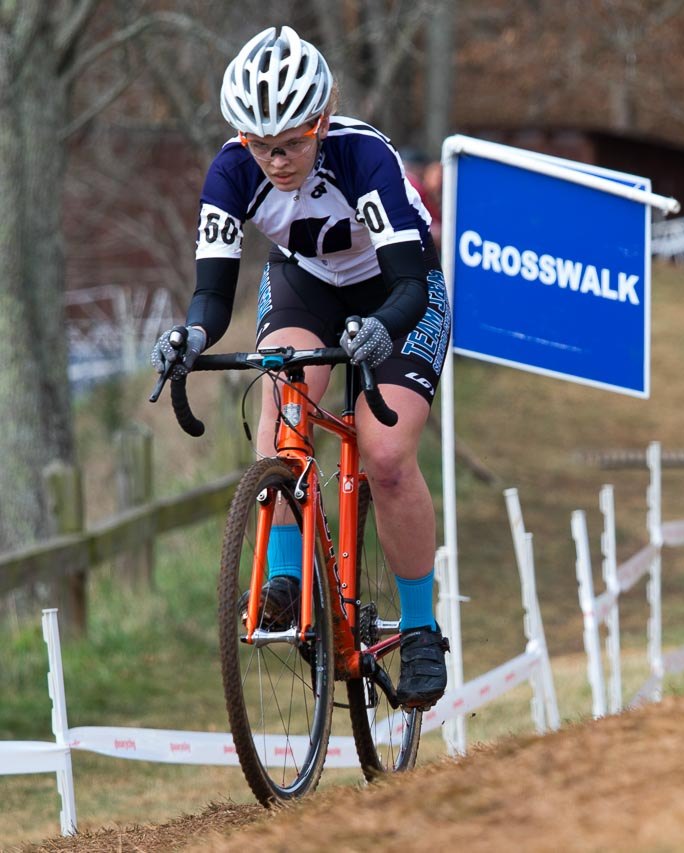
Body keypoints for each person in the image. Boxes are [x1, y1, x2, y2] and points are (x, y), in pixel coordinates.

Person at [151, 26, 451, 710]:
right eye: (259, 144)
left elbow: (408, 283)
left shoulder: (363, 156)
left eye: (289, 143)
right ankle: (284, 579)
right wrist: (190, 336)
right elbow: (212, 294)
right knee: (283, 408)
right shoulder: (230, 173)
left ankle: (423, 628)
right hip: (307, 281)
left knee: (387, 454)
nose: (275, 159)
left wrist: (379, 330)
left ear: (320, 122)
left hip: (398, 288)